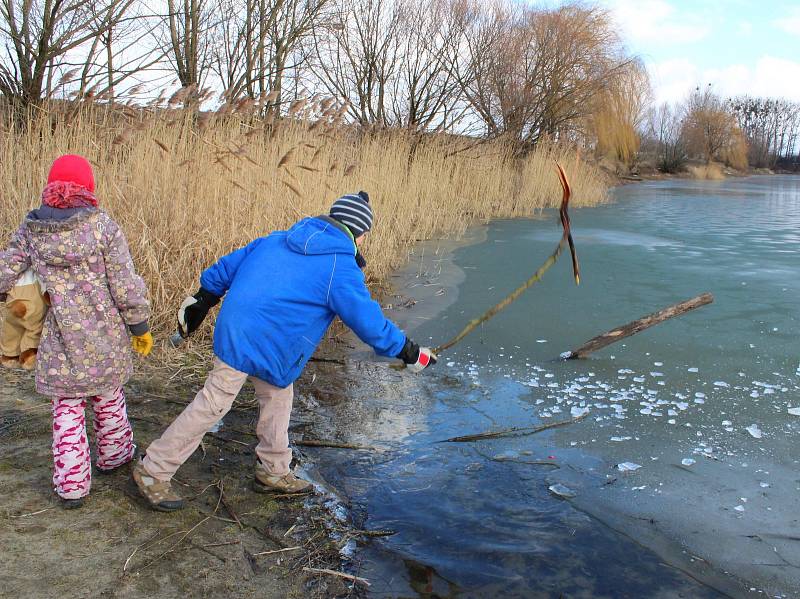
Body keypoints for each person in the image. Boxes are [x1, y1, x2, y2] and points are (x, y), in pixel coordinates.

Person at [133, 191, 435, 511]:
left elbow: (225, 269)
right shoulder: (339, 267)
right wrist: (410, 352)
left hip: (244, 332)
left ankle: (274, 469)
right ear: (360, 233)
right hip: (263, 339)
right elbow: (370, 324)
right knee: (214, 403)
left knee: (278, 395)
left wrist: (203, 299)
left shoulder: (276, 239)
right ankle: (153, 469)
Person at [0, 154, 153, 509]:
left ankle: (71, 486)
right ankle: (115, 456)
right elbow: (124, 282)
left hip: (60, 336)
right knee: (108, 394)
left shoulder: (32, 230)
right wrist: (139, 325)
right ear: (89, 189)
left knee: (67, 407)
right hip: (106, 334)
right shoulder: (103, 227)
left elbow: (6, 269)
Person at [0, 266, 47, 370]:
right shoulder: (37, 262)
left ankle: (10, 354)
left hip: (14, 299)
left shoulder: (10, 263)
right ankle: (28, 354)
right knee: (35, 327)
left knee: (11, 328)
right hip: (31, 301)